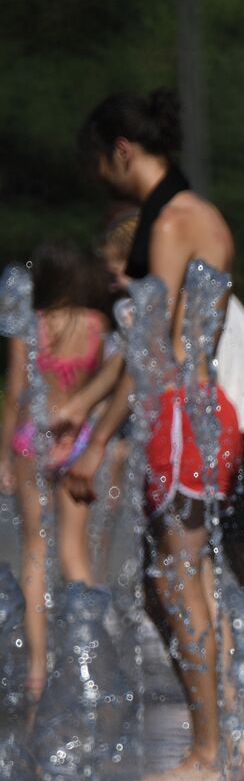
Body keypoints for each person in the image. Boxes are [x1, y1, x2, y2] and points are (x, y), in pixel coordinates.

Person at [69, 89, 244, 781]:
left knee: (180, 583)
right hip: (190, 408)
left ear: (121, 150)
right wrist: (86, 407)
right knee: (161, 584)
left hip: (182, 411)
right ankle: (218, 738)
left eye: (97, 161)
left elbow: (151, 339)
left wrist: (95, 438)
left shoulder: (172, 222)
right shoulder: (193, 213)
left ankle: (212, 754)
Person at [0, 241, 112, 701]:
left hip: (33, 437)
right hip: (78, 438)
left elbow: (16, 392)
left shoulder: (32, 326)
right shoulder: (96, 324)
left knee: (34, 549)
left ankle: (38, 668)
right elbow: (107, 385)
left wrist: (5, 454)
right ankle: (89, 663)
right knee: (74, 552)